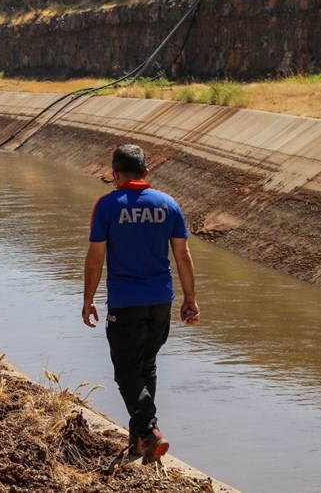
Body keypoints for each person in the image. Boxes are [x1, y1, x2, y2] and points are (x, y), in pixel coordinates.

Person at [81, 143, 199, 463]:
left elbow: (96, 258)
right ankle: (138, 441)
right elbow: (183, 255)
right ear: (146, 173)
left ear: (115, 174)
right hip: (161, 300)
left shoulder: (107, 206)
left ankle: (148, 430)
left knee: (126, 371)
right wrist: (189, 298)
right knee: (147, 366)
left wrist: (88, 299)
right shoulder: (168, 205)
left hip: (125, 303)